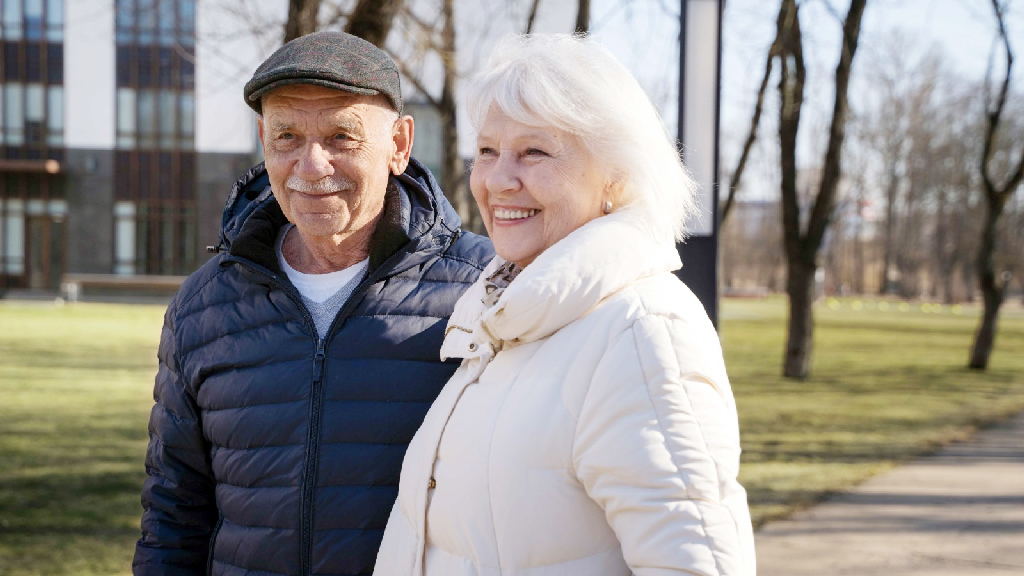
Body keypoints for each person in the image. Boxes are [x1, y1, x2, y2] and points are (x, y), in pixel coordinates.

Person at [374, 33, 756, 576]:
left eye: (534, 152)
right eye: (487, 151)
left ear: (616, 176)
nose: (498, 180)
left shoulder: (642, 332)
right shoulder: (509, 317)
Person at [132, 31, 492, 576]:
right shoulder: (203, 305)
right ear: (263, 141)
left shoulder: (484, 291)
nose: (311, 165)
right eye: (287, 137)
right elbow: (173, 516)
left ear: (399, 144)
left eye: (341, 136)